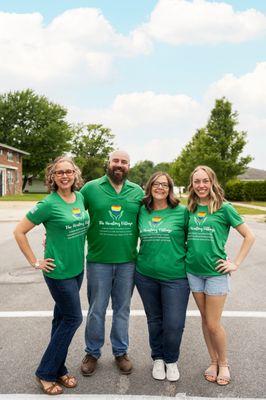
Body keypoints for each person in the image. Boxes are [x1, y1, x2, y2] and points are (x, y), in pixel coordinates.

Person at [14, 156, 89, 395]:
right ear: (53, 177)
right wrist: (35, 261)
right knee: (73, 319)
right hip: (58, 272)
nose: (65, 176)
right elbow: (19, 231)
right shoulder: (48, 204)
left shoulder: (80, 198)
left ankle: (59, 368)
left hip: (77, 269)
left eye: (68, 171)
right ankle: (45, 372)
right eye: (59, 173)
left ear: (75, 174)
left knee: (61, 320)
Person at [186, 165, 255, 386]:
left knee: (214, 323)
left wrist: (235, 263)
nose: (201, 185)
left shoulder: (224, 208)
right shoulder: (190, 207)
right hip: (193, 272)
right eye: (197, 181)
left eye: (205, 180)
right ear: (192, 185)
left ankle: (224, 363)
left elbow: (249, 236)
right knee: (206, 321)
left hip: (215, 273)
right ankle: (213, 361)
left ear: (212, 181)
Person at [80, 150, 143, 376]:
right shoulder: (90, 188)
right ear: (108, 163)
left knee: (122, 309)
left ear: (129, 166)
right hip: (98, 261)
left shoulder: (137, 192)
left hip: (128, 262)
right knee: (96, 309)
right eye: (115, 160)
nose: (119, 165)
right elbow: (72, 210)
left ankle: (120, 352)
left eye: (124, 162)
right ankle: (92, 352)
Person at [135, 172, 190, 381]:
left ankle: (171, 360)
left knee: (174, 323)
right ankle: (157, 358)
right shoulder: (141, 211)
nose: (160, 188)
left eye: (165, 185)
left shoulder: (181, 212)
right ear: (150, 187)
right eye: (156, 184)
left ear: (170, 189)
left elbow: (196, 237)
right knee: (155, 320)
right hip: (145, 275)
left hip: (176, 277)